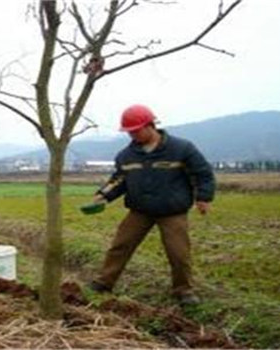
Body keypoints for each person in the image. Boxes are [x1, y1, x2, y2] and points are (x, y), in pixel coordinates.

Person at [88, 105, 215, 305]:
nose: (132, 135)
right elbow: (119, 180)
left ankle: (184, 290)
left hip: (172, 211)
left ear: (150, 125)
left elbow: (203, 174)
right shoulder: (126, 155)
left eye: (136, 130)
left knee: (178, 253)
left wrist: (204, 198)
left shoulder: (181, 148)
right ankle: (104, 282)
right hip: (140, 210)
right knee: (120, 246)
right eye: (129, 132)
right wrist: (103, 195)